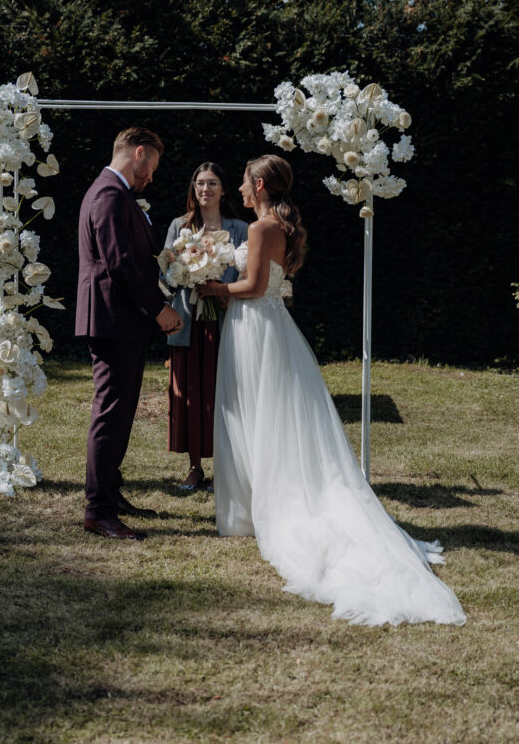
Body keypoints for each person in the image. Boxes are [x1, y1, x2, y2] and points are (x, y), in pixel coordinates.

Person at [197, 155, 465, 626]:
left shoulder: (260, 229)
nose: (238, 189)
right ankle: (254, 505)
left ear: (259, 186)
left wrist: (215, 289)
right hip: (266, 328)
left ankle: (262, 511)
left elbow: (254, 286)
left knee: (256, 413)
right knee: (267, 415)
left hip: (255, 328)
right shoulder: (276, 225)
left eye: (242, 182)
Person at [76, 127, 183, 541]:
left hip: (119, 320)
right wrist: (159, 310)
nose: (152, 176)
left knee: (119, 413)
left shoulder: (115, 193)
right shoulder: (109, 194)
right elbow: (118, 262)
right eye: (152, 165)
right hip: (112, 319)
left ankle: (110, 494)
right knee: (110, 413)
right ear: (139, 153)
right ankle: (98, 511)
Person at [164, 162, 248, 491]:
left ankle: (226, 467)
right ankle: (195, 466)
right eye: (200, 183)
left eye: (212, 183)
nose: (205, 189)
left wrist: (221, 289)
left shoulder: (240, 228)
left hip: (227, 321)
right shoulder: (179, 226)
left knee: (225, 393)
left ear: (223, 190)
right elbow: (164, 273)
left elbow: (248, 273)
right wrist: (184, 274)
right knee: (191, 392)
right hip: (188, 320)